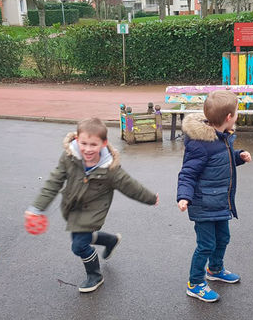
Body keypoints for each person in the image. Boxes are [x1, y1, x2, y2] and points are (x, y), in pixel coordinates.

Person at [25, 117, 158, 293]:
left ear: (103, 143)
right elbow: (54, 181)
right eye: (84, 143)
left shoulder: (110, 169)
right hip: (73, 206)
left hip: (94, 211)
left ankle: (95, 276)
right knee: (82, 238)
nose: (88, 149)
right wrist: (37, 207)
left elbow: (130, 186)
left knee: (79, 245)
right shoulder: (69, 157)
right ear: (76, 139)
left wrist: (150, 198)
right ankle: (110, 240)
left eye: (93, 145)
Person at [177, 90, 251, 303]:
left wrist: (238, 157)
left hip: (219, 201)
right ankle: (195, 283)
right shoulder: (201, 144)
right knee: (206, 245)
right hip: (203, 204)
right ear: (228, 117)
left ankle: (215, 269)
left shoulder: (223, 137)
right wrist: (184, 196)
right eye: (236, 112)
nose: (237, 116)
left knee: (223, 238)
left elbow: (220, 162)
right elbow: (188, 173)